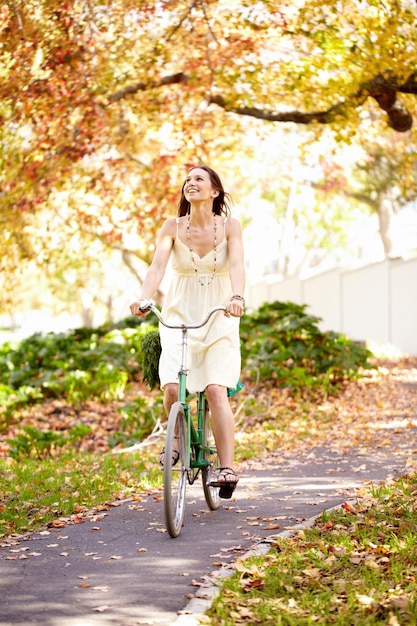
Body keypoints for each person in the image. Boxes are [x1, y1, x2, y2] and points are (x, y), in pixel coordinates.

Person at [130, 165, 245, 498]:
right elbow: (157, 267)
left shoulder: (231, 227)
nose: (190, 183)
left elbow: (237, 264)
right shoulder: (172, 226)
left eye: (199, 179)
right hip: (179, 313)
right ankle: (177, 440)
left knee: (214, 389)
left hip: (220, 313)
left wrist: (237, 297)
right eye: (188, 179)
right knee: (171, 387)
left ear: (215, 192)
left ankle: (226, 467)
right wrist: (143, 299)